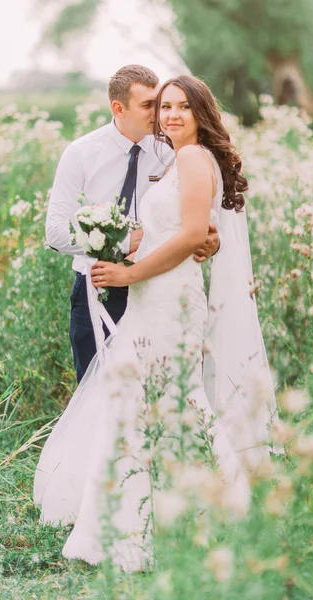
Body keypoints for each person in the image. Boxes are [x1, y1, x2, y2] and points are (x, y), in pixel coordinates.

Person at [34, 75, 278, 572]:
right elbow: (64, 231)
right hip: (134, 290)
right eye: (159, 106)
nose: (165, 116)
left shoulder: (180, 155)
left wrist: (154, 259)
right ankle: (147, 510)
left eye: (178, 107)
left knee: (166, 400)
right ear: (119, 107)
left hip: (161, 295)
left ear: (200, 112)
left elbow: (192, 230)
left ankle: (158, 517)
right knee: (141, 401)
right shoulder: (88, 152)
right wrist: (121, 250)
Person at [45, 64, 220, 382]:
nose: (160, 114)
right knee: (98, 392)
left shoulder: (174, 150)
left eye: (162, 103)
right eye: (149, 106)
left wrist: (211, 239)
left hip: (159, 286)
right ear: (118, 108)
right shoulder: (81, 154)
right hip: (101, 290)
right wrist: (124, 242)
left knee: (159, 388)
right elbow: (55, 231)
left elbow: (194, 219)